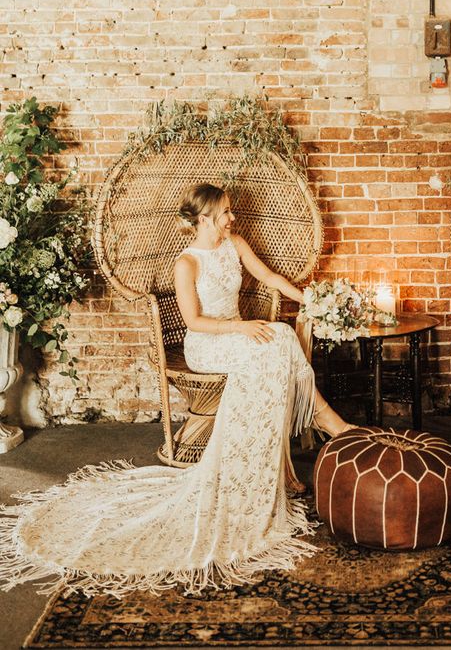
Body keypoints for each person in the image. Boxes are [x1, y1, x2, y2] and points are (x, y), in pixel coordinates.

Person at [0, 183, 351, 597]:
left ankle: (288, 457)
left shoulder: (235, 243)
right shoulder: (187, 263)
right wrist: (241, 327)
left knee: (280, 342)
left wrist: (310, 301)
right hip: (209, 343)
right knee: (274, 343)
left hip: (238, 337)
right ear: (203, 220)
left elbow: (270, 276)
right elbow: (195, 322)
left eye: (230, 213)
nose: (231, 219)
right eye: (223, 214)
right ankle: (324, 423)